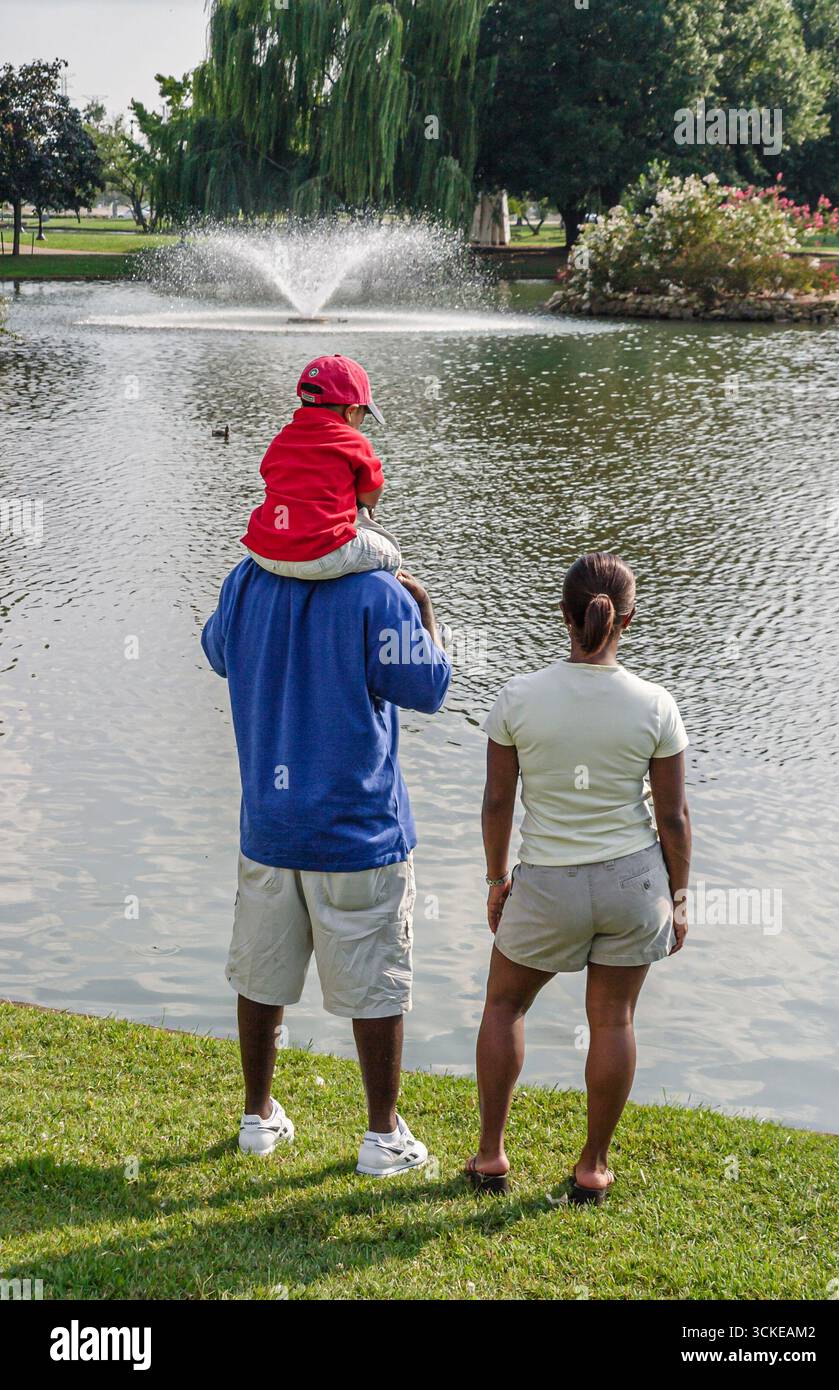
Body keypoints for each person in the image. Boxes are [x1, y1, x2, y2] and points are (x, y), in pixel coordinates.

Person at [201, 527, 451, 1173]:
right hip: (358, 830)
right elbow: (429, 687)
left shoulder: (245, 579)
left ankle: (257, 1117)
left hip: (271, 824)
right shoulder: (378, 591)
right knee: (376, 986)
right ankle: (382, 1136)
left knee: (262, 974)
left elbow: (218, 652)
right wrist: (423, 610)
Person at [468, 552, 691, 1202]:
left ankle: (491, 1157)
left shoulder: (518, 698)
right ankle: (592, 1168)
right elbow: (673, 818)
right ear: (629, 620)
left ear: (564, 616)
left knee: (505, 1005)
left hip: (548, 883)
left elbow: (497, 803)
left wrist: (495, 880)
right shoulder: (656, 704)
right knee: (613, 1021)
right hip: (633, 886)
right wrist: (679, 897)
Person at [242, 353, 402, 581]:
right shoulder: (353, 441)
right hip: (322, 555)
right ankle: (383, 594)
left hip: (264, 553)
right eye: (363, 416)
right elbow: (371, 495)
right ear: (351, 412)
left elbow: (272, 476)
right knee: (391, 552)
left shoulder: (281, 439)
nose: (361, 423)